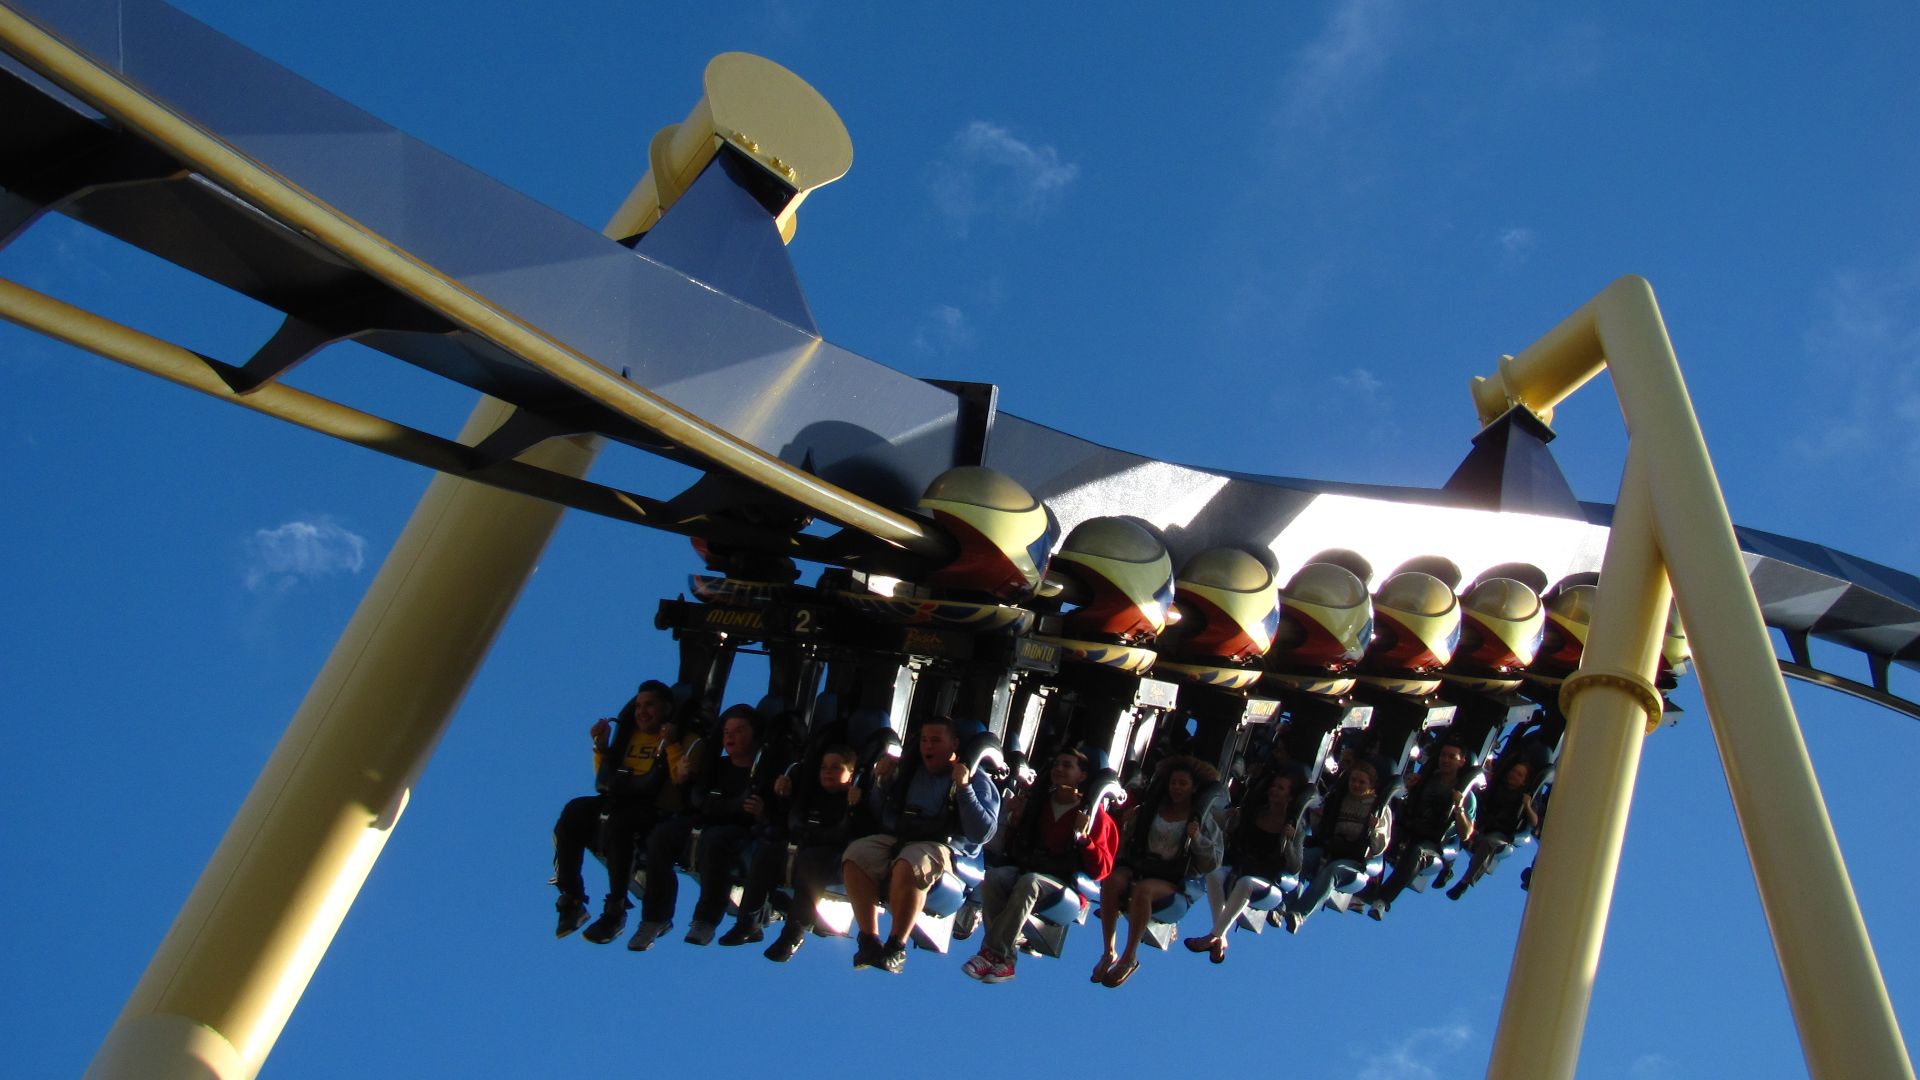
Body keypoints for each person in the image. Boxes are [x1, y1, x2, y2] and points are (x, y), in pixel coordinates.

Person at [840, 717, 1000, 974]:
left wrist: (963, 787)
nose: (929, 746)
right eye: (925, 740)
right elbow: (885, 817)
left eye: (936, 741)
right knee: (856, 854)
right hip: (902, 838)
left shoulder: (978, 780)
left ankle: (896, 947)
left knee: (911, 861)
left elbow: (982, 832)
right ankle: (868, 940)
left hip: (947, 850)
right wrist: (880, 783)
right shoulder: (909, 772)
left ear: (954, 744)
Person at [627, 704, 786, 951]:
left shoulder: (764, 773)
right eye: (726, 732)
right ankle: (655, 918)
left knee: (716, 842)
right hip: (706, 820)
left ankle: (706, 920)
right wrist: (683, 780)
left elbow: (774, 816)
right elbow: (694, 800)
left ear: (754, 735)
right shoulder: (714, 768)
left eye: (738, 731)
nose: (730, 737)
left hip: (739, 830)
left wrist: (763, 813)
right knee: (662, 835)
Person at [961, 746, 1119, 984]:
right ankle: (1002, 958)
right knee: (994, 878)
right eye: (1057, 764)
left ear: (1082, 776)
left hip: (1063, 884)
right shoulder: (1038, 805)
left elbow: (1102, 870)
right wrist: (1014, 819)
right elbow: (1015, 847)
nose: (1059, 769)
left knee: (1030, 882)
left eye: (1067, 765)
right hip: (1028, 868)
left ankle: (995, 953)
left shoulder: (1096, 818)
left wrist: (1084, 839)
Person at [556, 680, 687, 943]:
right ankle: (572, 898)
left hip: (654, 808)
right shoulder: (629, 734)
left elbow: (680, 784)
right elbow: (606, 777)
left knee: (621, 825)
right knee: (574, 812)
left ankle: (615, 908)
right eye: (638, 706)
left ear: (665, 709)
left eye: (649, 705)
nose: (642, 712)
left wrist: (672, 745)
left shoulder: (675, 738)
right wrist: (601, 748)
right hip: (619, 799)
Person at [717, 742, 873, 961]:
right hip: (800, 846)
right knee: (767, 854)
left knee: (810, 865)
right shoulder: (808, 794)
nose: (828, 772)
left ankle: (793, 935)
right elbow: (785, 821)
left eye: (836, 768)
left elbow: (860, 830)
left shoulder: (854, 800)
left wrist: (857, 806)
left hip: (831, 855)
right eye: (824, 767)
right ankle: (748, 922)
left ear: (851, 774)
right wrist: (784, 796)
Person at [1094, 755, 1223, 988]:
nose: (1177, 788)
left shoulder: (1203, 821)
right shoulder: (1150, 810)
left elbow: (1211, 863)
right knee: (1112, 881)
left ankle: (1129, 957)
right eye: (1174, 783)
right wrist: (1128, 824)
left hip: (1174, 882)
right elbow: (1123, 846)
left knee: (1143, 891)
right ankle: (1108, 951)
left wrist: (1197, 838)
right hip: (1142, 867)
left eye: (1183, 783)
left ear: (1194, 788)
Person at [1183, 764, 1304, 963]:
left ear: (1290, 797)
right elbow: (1226, 829)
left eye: (1280, 788)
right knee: (1214, 874)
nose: (1274, 790)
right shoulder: (1254, 813)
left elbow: (1295, 866)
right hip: (1241, 869)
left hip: (1268, 883)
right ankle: (1219, 936)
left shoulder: (1295, 828)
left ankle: (1214, 936)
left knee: (1246, 882)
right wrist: (1231, 818)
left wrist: (1288, 841)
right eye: (1274, 786)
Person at [1364, 742, 1476, 919]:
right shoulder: (1426, 780)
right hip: (1410, 827)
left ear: (1462, 761)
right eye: (1443, 755)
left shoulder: (1467, 796)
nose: (1445, 760)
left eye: (1451, 757)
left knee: (1417, 852)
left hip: (1433, 842)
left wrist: (1459, 807)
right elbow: (1406, 802)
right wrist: (1409, 787)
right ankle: (1368, 882)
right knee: (1380, 830)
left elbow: (1466, 833)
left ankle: (1382, 901)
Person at [1282, 758, 1391, 933]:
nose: (1356, 785)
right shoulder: (1338, 799)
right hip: (1330, 848)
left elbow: (1379, 846)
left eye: (1361, 782)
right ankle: (1286, 904)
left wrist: (1374, 828)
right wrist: (1318, 816)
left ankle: (1299, 914)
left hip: (1356, 860)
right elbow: (1320, 829)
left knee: (1332, 870)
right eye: (1353, 780)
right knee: (1301, 858)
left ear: (1370, 785)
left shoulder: (1379, 809)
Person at [1447, 758, 1540, 900]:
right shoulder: (1497, 786)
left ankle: (1465, 881)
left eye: (1519, 775)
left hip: (1502, 834)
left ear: (1524, 781)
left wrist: (1527, 805)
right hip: (1483, 825)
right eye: (1513, 771)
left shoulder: (1525, 798)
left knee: (1488, 842)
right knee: (1462, 825)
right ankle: (1447, 866)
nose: (1514, 775)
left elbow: (1534, 822)